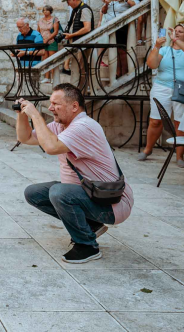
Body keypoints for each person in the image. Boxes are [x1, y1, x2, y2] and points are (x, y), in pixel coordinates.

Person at [16, 84, 134, 264]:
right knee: (34, 193)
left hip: (112, 201)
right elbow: (26, 138)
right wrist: (21, 115)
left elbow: (51, 147)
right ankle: (90, 226)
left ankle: (87, 246)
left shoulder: (84, 126)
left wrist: (35, 115)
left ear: (74, 107)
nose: (50, 108)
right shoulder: (61, 126)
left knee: (59, 192)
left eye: (56, 104)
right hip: (91, 193)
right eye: (50, 103)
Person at [138, 23, 184, 166]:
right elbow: (152, 64)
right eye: (175, 31)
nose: (177, 33)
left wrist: (177, 40)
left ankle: (179, 156)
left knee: (181, 123)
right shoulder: (165, 50)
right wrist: (156, 46)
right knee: (155, 121)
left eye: (181, 32)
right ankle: (148, 149)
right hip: (162, 88)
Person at [101, 0, 138, 78]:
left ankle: (124, 72)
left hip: (123, 25)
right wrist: (106, 4)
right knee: (115, 49)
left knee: (122, 49)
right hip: (111, 25)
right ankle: (117, 72)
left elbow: (136, 5)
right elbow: (104, 11)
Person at [61, 0, 94, 76]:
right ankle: (78, 88)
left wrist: (72, 35)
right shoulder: (76, 10)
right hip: (76, 43)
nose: (68, 4)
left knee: (81, 69)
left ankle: (81, 89)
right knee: (77, 69)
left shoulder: (84, 9)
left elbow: (87, 28)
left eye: (68, 2)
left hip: (82, 43)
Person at [38, 5, 62, 80]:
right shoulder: (40, 20)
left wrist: (47, 39)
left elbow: (55, 32)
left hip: (52, 41)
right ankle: (47, 77)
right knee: (45, 59)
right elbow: (38, 31)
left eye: (47, 10)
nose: (45, 12)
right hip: (43, 42)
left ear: (50, 11)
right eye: (44, 10)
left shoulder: (54, 19)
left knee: (52, 59)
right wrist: (40, 40)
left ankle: (53, 78)